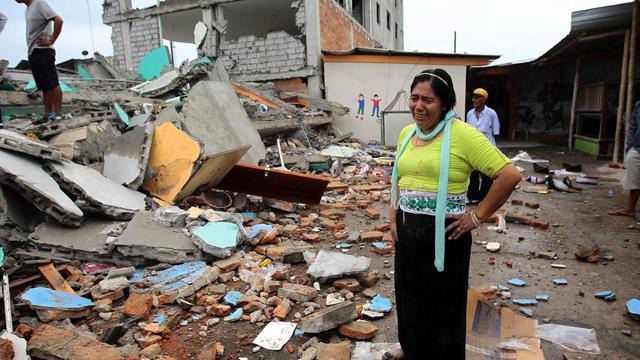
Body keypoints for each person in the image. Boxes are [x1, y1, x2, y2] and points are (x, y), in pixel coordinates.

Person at [387, 69, 521, 359]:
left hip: (446, 237)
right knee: (410, 298)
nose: (418, 106)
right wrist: (392, 218)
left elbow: (509, 175)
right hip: (408, 232)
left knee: (443, 306)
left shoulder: (463, 135)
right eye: (414, 98)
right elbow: (398, 178)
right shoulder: (406, 134)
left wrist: (477, 217)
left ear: (445, 104)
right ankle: (412, 348)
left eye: (428, 100)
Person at [15, 0, 64, 125]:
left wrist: (52, 39)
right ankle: (47, 114)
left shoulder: (39, 3)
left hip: (44, 50)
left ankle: (58, 114)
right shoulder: (28, 9)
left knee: (52, 83)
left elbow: (59, 20)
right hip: (33, 51)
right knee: (43, 86)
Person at [466, 88, 501, 203]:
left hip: (487, 149)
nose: (474, 99)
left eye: (477, 97)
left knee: (487, 176)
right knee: (473, 174)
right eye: (473, 97)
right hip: (473, 148)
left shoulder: (491, 113)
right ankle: (473, 197)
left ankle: (484, 198)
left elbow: (496, 132)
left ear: (484, 99)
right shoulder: (470, 114)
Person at [608, 100, 640, 218]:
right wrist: (630, 146)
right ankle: (630, 208)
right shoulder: (638, 105)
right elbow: (633, 126)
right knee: (634, 180)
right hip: (637, 148)